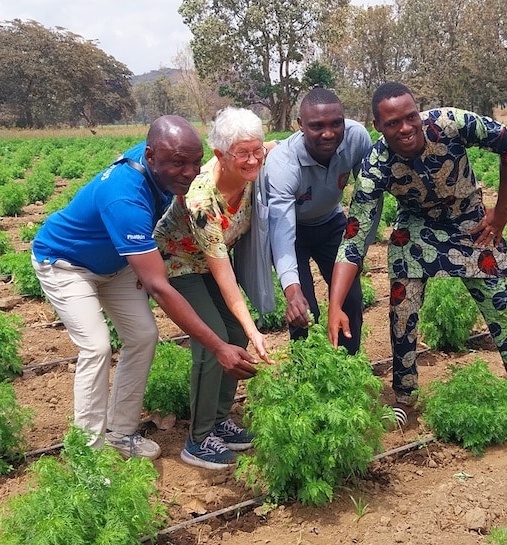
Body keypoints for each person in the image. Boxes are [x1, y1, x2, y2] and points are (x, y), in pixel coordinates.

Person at [327, 82, 507, 437]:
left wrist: (502, 212)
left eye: (409, 117)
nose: (404, 128)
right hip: (416, 228)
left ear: (418, 112)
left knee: (499, 306)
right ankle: (404, 397)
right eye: (391, 123)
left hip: (469, 221)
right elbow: (354, 237)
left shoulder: (449, 124)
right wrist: (335, 302)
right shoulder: (376, 165)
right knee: (402, 312)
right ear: (378, 126)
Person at [32, 115, 261, 460]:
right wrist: (218, 347)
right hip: (66, 264)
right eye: (178, 164)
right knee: (96, 347)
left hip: (118, 262)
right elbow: (160, 287)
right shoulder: (125, 199)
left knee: (142, 336)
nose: (190, 172)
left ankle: (120, 434)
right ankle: (88, 452)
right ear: (151, 157)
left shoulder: (161, 156)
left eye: (196, 161)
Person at [153, 107, 276, 470]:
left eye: (257, 151)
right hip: (179, 263)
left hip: (210, 262)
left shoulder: (254, 159)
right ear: (220, 155)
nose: (254, 159)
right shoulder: (201, 200)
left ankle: (221, 419)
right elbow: (225, 277)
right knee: (215, 341)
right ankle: (199, 439)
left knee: (233, 331)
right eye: (243, 153)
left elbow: (276, 146)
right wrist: (256, 332)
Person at [264, 88, 373, 355]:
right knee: (303, 309)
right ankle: (307, 375)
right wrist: (292, 291)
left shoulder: (357, 138)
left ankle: (348, 367)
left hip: (331, 222)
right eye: (317, 126)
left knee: (351, 297)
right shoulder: (282, 164)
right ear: (300, 126)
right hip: (294, 232)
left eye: (336, 123)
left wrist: (358, 249)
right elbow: (282, 233)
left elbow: (370, 197)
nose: (328, 133)